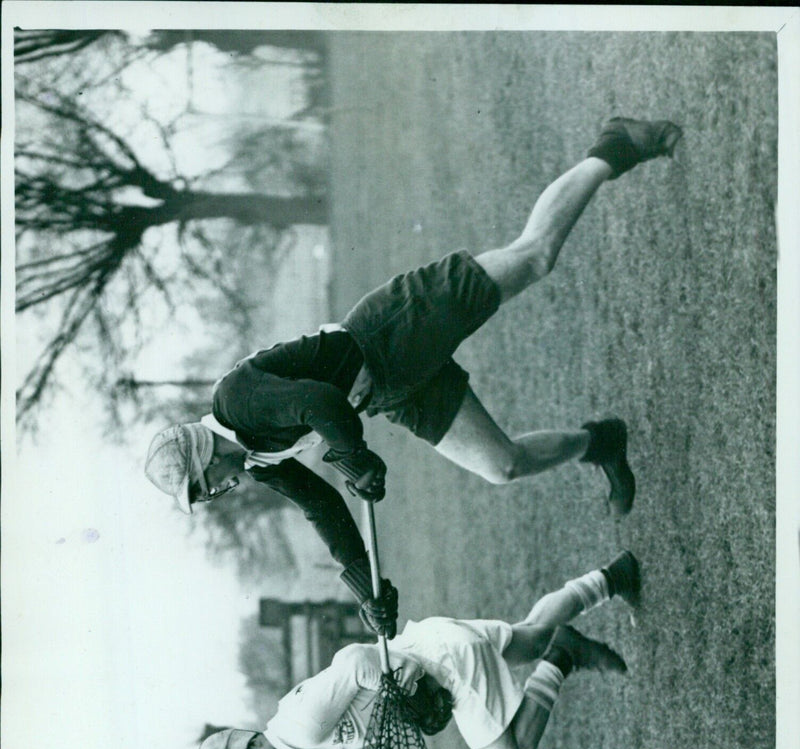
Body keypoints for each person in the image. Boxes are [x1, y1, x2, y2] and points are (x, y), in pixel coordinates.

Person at [147, 117, 681, 637]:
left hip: (392, 331)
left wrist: (353, 458)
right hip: (389, 391)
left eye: (203, 486)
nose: (216, 491)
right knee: (503, 464)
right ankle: (602, 441)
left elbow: (317, 404)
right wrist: (365, 585)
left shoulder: (235, 402)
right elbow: (322, 505)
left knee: (534, 256)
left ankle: (614, 144)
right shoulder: (259, 461)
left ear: (204, 458)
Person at [198, 550, 640, 749]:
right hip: (432, 641)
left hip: (441, 665)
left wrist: (408, 686)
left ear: (250, 744)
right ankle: (613, 575)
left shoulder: (298, 726)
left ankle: (565, 656)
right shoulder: (299, 741)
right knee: (528, 638)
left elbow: (354, 660)